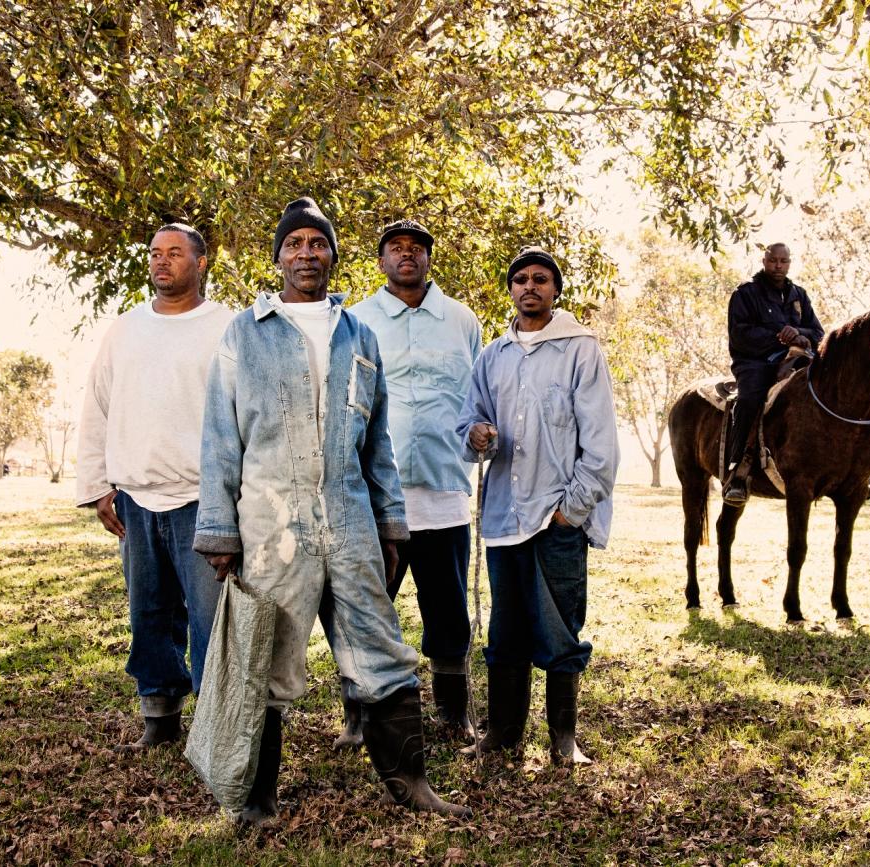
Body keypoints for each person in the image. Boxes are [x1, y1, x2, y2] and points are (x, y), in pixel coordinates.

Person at [193, 197, 469, 824]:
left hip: (348, 519)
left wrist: (391, 521)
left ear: (333, 255)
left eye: (318, 243)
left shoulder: (358, 335)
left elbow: (378, 444)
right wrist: (219, 530)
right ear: (279, 257)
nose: (307, 254)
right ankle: (256, 798)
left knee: (380, 643)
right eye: (295, 244)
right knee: (266, 654)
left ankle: (411, 782)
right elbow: (218, 437)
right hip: (271, 523)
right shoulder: (245, 332)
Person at [457, 246, 619, 765]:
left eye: (541, 279)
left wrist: (571, 510)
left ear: (555, 290)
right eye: (521, 279)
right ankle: (504, 733)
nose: (530, 287)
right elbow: (468, 422)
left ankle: (563, 739)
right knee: (506, 631)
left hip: (557, 517)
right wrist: (477, 434)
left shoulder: (580, 349)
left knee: (559, 628)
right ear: (511, 289)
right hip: (505, 515)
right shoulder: (493, 355)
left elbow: (600, 444)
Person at [76, 222, 233, 752]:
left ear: (202, 263)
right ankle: (160, 718)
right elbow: (97, 407)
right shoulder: (125, 330)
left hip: (204, 499)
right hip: (136, 499)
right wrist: (99, 485)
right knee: (148, 614)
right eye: (154, 254)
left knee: (211, 620)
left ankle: (216, 726)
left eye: (174, 253)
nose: (162, 262)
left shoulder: (227, 328)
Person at [347, 219, 483, 746]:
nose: (407, 256)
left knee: (447, 610)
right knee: (367, 608)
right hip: (376, 500)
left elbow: (478, 397)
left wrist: (479, 433)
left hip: (443, 492)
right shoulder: (356, 321)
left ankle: (454, 713)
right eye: (395, 249)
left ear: (429, 259)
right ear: (381, 261)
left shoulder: (461, 320)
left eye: (417, 249)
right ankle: (359, 716)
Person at [723, 243, 825, 506]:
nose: (778, 266)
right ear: (764, 260)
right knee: (749, 400)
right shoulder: (746, 293)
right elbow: (740, 334)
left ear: (789, 263)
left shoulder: (799, 295)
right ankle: (738, 470)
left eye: (783, 261)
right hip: (755, 363)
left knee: (828, 388)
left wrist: (801, 335)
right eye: (773, 261)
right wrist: (780, 335)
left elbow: (818, 333)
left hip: (796, 359)